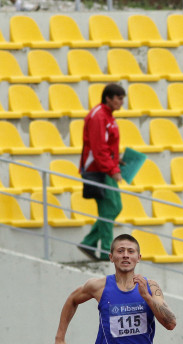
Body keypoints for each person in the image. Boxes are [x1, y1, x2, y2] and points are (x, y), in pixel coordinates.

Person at [78, 84, 126, 261]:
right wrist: (112, 169)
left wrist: (115, 159)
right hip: (99, 170)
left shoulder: (106, 115)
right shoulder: (99, 116)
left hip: (105, 167)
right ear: (108, 98)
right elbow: (98, 149)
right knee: (109, 208)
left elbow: (105, 146)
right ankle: (106, 251)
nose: (121, 102)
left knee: (114, 207)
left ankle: (89, 242)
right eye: (119, 98)